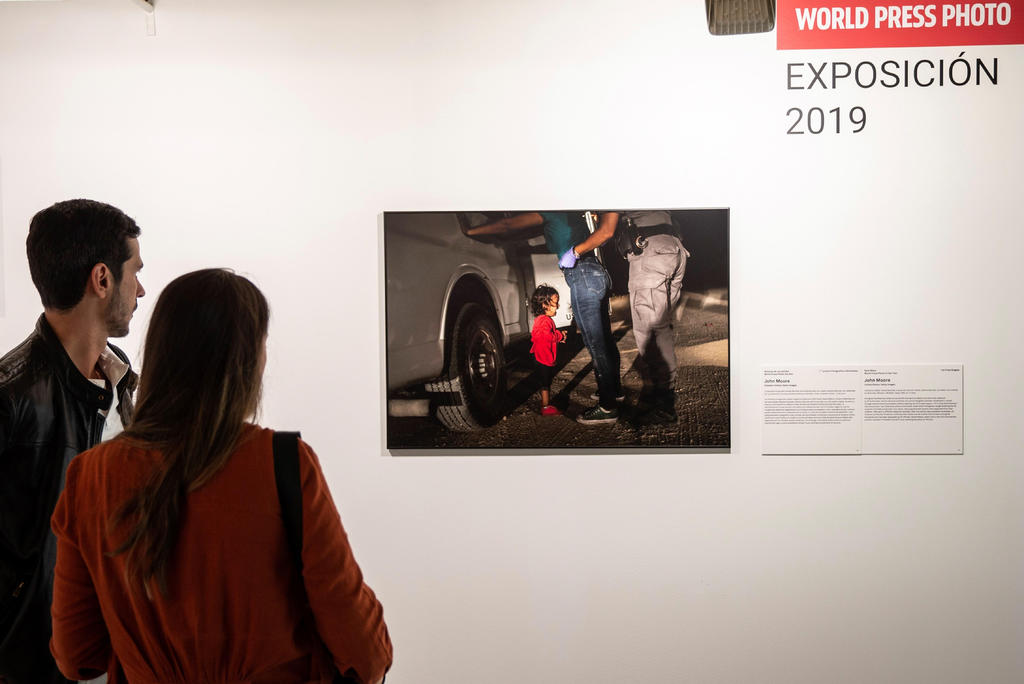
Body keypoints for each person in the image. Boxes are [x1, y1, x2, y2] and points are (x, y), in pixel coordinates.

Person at [49, 269, 393, 684]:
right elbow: (363, 650)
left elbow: (77, 653)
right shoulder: (282, 462)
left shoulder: (90, 477)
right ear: (245, 360)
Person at [0, 199, 145, 684]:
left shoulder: (123, 384)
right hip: (33, 665)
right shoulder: (10, 397)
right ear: (102, 279)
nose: (141, 289)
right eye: (135, 272)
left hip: (115, 659)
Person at [466, 212, 622, 425]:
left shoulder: (551, 212)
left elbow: (507, 224)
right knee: (604, 339)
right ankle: (614, 391)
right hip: (594, 272)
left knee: (596, 343)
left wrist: (469, 230)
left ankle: (607, 407)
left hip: (582, 275)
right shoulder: (570, 214)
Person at [604, 210, 689, 423]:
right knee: (661, 326)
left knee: (650, 330)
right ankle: (664, 393)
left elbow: (607, 228)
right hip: (674, 247)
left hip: (651, 251)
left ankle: (663, 404)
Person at [529, 284, 567, 416]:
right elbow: (547, 336)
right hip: (542, 358)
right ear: (545, 305)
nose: (558, 306)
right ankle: (545, 407)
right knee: (545, 383)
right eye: (555, 303)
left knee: (545, 382)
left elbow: (545, 335)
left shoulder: (542, 320)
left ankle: (546, 405)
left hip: (540, 356)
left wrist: (558, 336)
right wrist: (559, 336)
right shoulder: (544, 320)